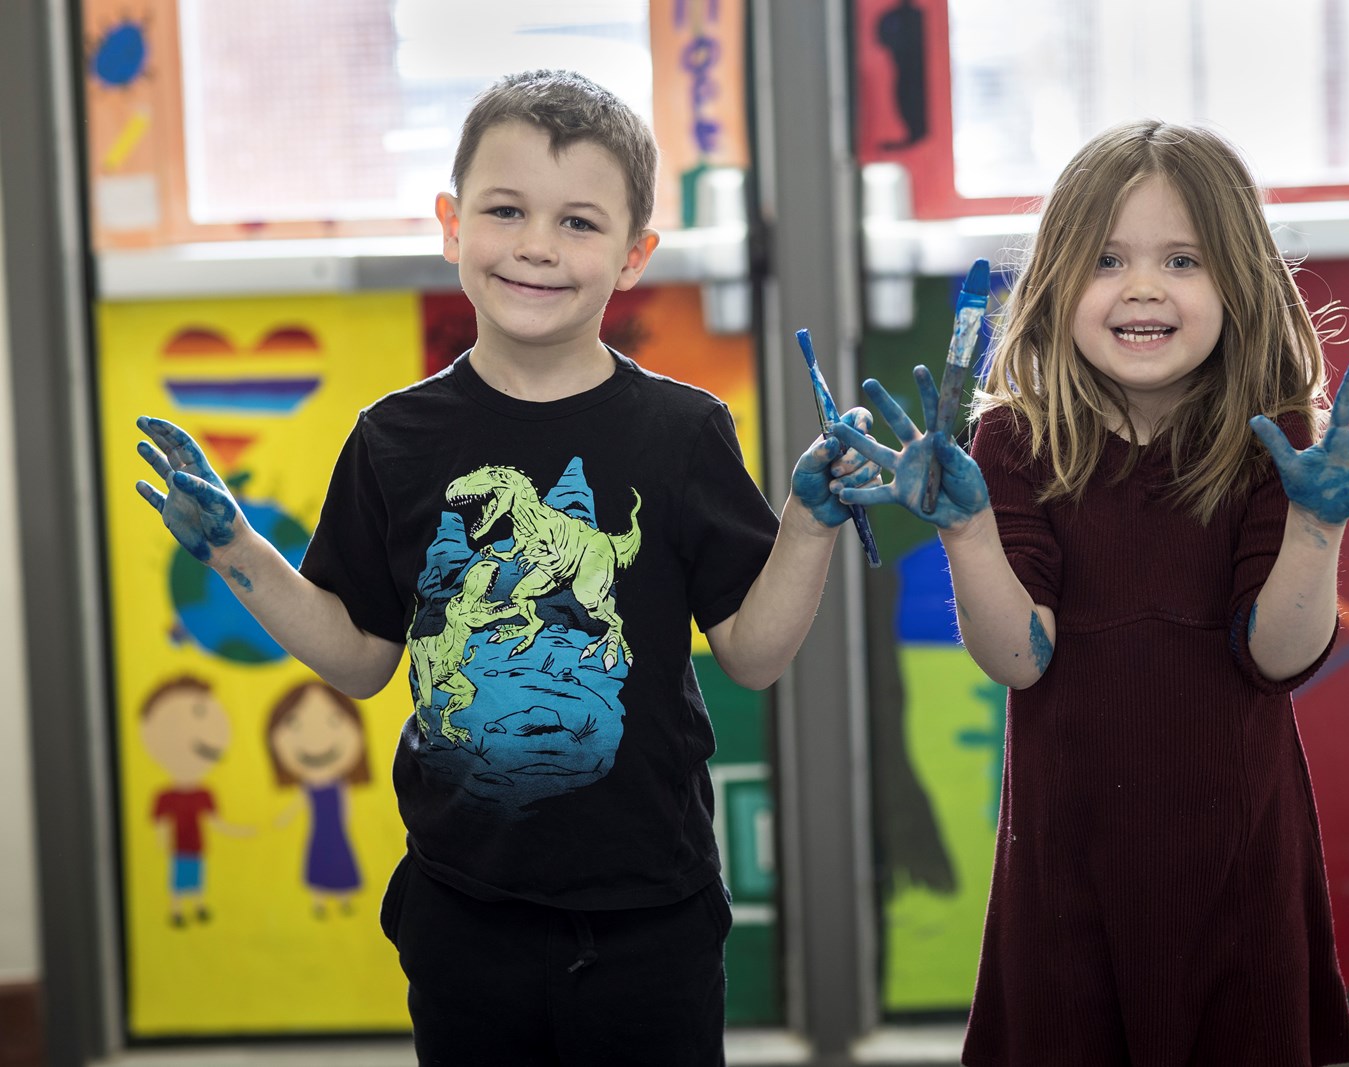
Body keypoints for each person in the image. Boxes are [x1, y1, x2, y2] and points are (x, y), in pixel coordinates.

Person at [135, 68, 874, 1066]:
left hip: (652, 909)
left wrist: (811, 523)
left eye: (578, 221)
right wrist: (237, 550)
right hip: (462, 909)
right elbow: (359, 661)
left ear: (632, 256)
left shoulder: (684, 430)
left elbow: (753, 651)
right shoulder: (392, 438)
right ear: (451, 224)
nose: (535, 244)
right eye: (505, 210)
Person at [832, 120, 1349, 1066]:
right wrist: (965, 529)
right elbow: (1018, 657)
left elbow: (1276, 655)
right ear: (1055, 285)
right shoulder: (1017, 443)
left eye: (1183, 259)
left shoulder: (1271, 440)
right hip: (1065, 871)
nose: (1144, 286)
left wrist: (1320, 526)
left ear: (1239, 287)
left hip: (1238, 863)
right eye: (1107, 259)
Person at [139, 675, 253, 928]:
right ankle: (177, 910)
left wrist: (239, 830)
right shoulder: (164, 796)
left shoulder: (204, 794)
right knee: (179, 880)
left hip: (197, 846)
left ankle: (199, 907)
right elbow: (159, 824)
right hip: (177, 848)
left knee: (196, 878)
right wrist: (162, 846)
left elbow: (215, 822)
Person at [266, 679, 371, 919]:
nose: (316, 740)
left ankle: (344, 899)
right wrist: (282, 819)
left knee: (341, 862)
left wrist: (344, 822)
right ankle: (319, 902)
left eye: (334, 721)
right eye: (293, 723)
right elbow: (298, 805)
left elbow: (346, 806)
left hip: (337, 831)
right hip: (319, 832)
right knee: (318, 863)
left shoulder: (339, 785)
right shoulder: (308, 787)